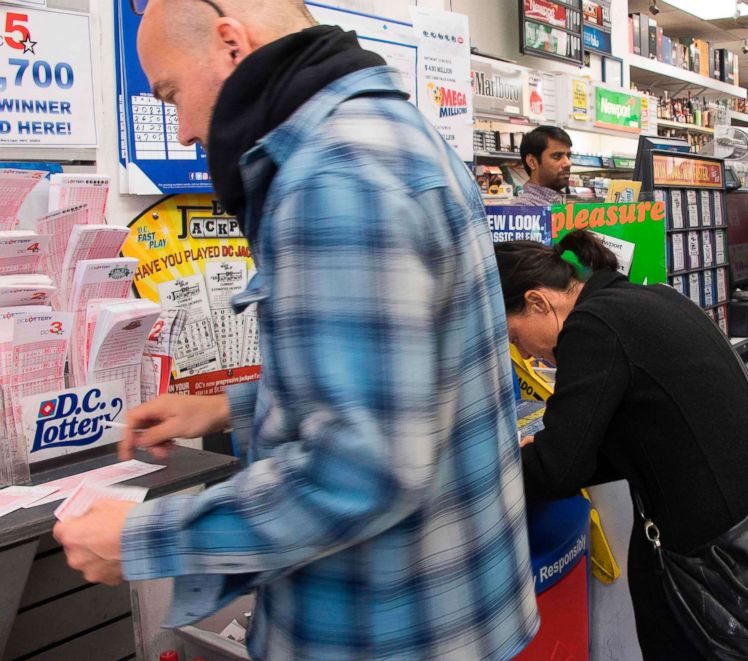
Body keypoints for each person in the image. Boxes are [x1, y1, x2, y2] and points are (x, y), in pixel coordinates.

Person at [52, 1, 539, 658]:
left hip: (381, 632)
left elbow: (361, 466)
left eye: (173, 95)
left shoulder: (333, 175)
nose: (188, 128)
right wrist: (228, 405)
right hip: (453, 614)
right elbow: (418, 388)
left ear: (230, 44)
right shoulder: (396, 134)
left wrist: (142, 536)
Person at [496, 229, 748, 660]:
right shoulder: (649, 299)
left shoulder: (590, 328)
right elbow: (643, 438)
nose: (530, 355)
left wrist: (490, 471)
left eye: (517, 337)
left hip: (729, 566)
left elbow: (562, 468)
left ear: (538, 302)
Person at [508, 125, 572, 206]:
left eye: (568, 156)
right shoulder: (523, 208)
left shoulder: (561, 202)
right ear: (532, 162)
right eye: (557, 156)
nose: (568, 163)